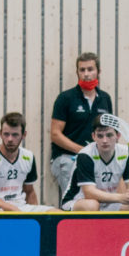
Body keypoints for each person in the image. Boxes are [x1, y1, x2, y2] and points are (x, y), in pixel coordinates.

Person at [49, 52, 112, 196]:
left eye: (90, 69)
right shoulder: (66, 98)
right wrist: (82, 151)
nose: (86, 74)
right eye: (82, 70)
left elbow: (109, 131)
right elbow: (55, 134)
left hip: (96, 158)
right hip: (68, 157)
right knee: (78, 200)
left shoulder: (105, 99)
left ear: (98, 71)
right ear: (77, 72)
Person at [59, 114, 129, 211]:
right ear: (93, 136)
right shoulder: (86, 155)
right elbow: (89, 193)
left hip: (109, 201)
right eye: (100, 136)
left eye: (109, 135)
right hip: (79, 201)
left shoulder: (126, 152)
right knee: (92, 205)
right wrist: (121, 197)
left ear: (118, 135)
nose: (105, 140)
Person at [0, 112, 54, 212]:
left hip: (21, 207)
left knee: (56, 213)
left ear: (24, 135)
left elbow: (29, 191)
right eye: (6, 134)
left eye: (15, 135)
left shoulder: (28, 157)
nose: (10, 139)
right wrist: (11, 208)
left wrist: (34, 218)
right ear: (0, 133)